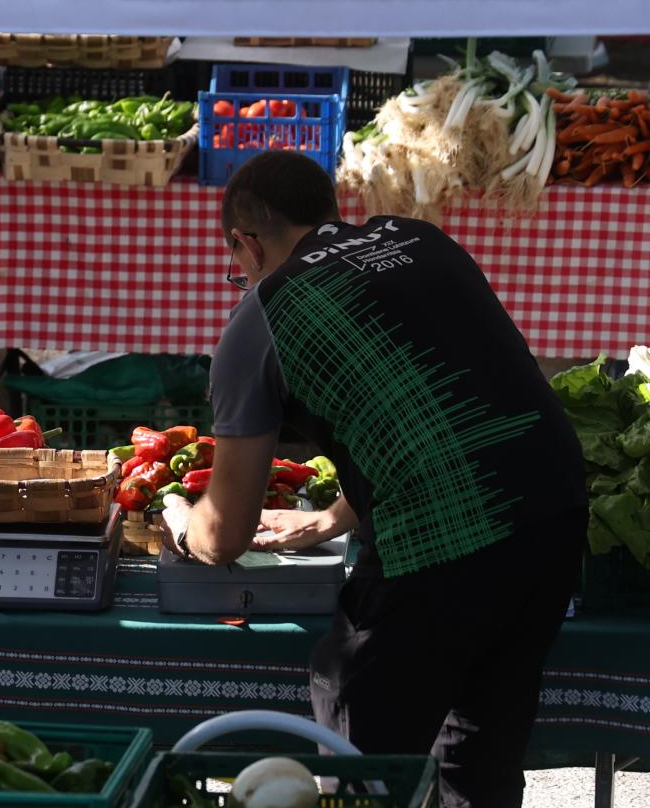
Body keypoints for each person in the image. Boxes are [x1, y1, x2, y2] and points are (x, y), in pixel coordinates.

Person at [158, 150, 587, 808]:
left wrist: (184, 523)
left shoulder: (259, 318)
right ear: (332, 211)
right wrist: (336, 516)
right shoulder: (419, 238)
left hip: (446, 542)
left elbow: (226, 535)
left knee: (365, 756)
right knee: (479, 753)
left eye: (234, 265)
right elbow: (430, 401)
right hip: (554, 511)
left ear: (244, 244)